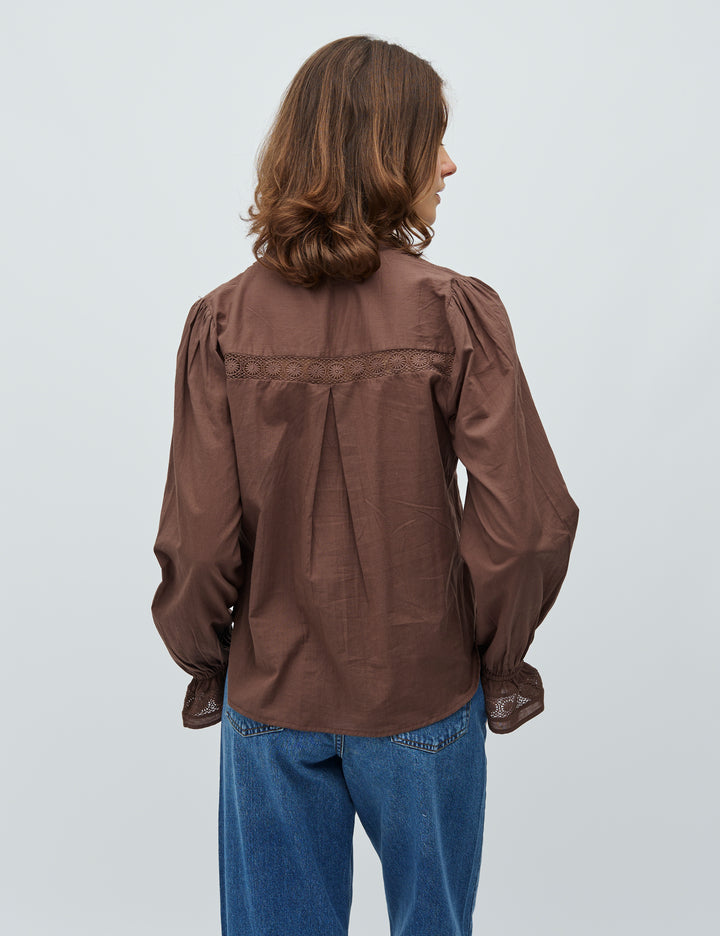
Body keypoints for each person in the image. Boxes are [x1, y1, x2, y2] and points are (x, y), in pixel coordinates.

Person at [150, 34, 580, 936]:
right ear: (384, 152)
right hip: (422, 691)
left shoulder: (221, 323)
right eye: (433, 140)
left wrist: (211, 660)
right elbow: (527, 528)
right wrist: (493, 657)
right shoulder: (453, 311)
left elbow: (197, 543)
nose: (449, 164)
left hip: (270, 697)